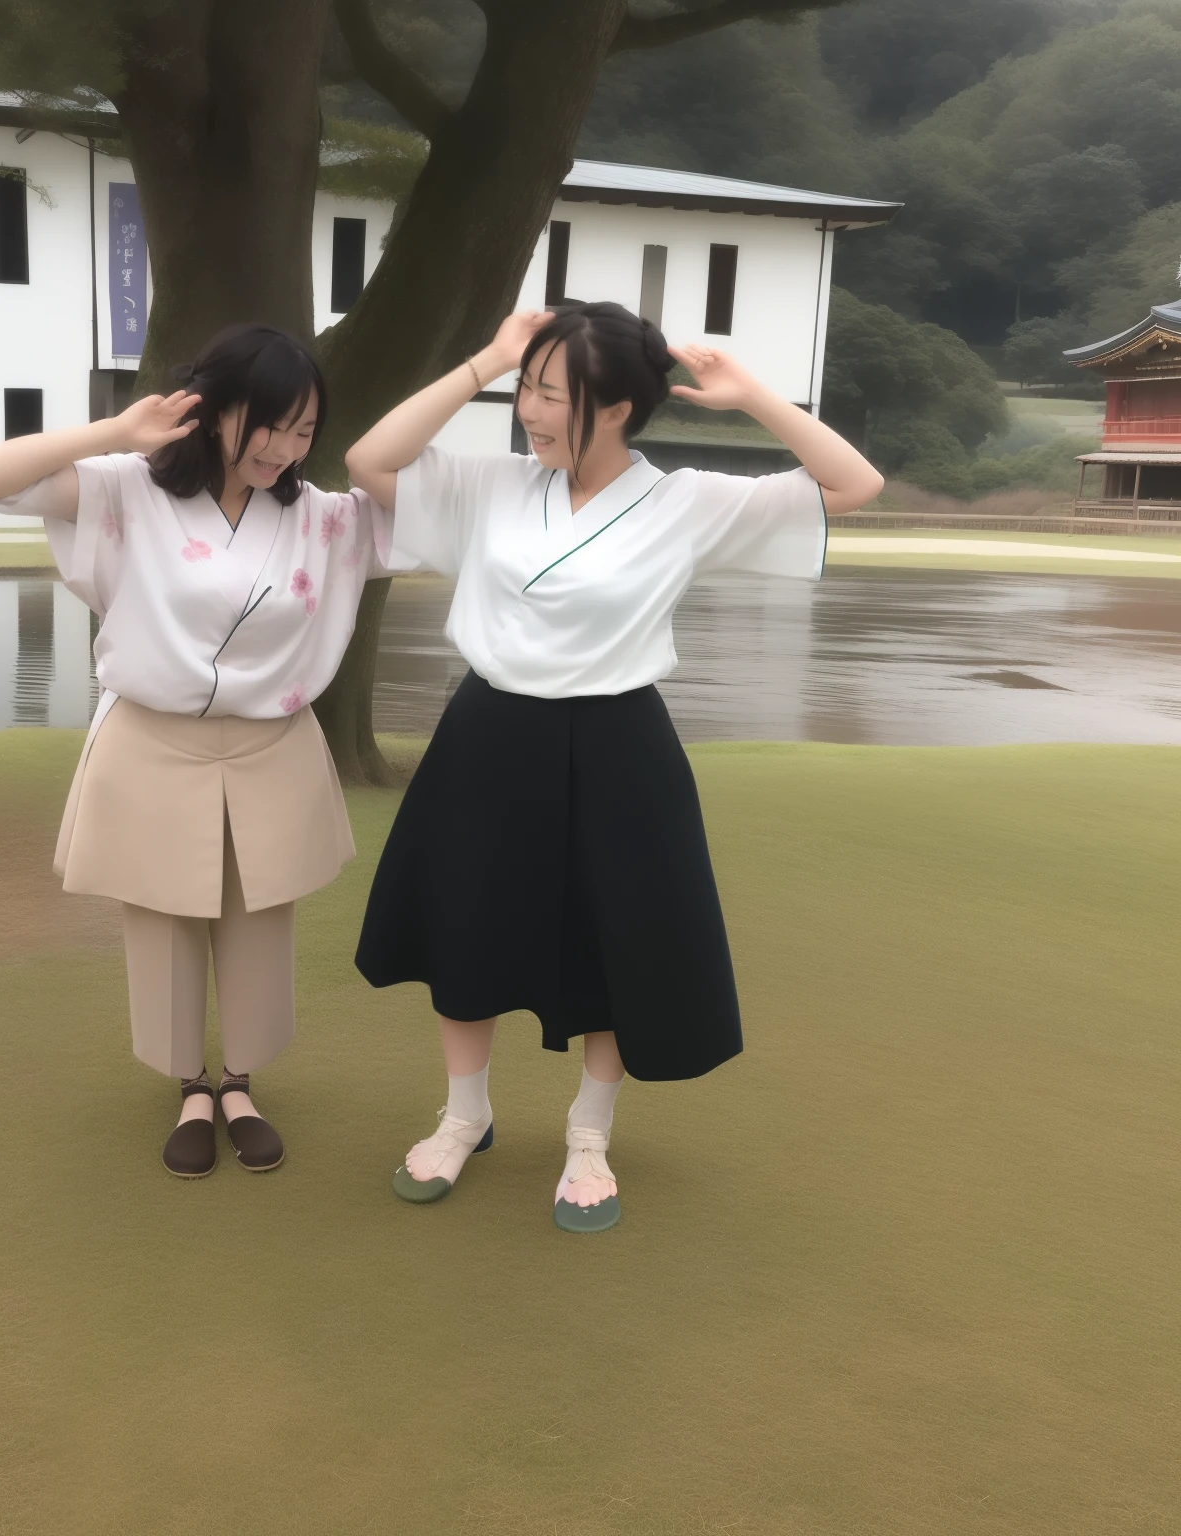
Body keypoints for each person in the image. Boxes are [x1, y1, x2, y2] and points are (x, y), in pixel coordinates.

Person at [346, 301, 883, 1233]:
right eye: (529, 390)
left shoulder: (687, 502)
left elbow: (854, 484)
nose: (531, 410)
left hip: (619, 745)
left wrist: (752, 395)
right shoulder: (495, 485)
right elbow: (370, 462)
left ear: (621, 408)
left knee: (615, 938)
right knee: (464, 929)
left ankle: (588, 1136)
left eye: (553, 394)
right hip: (487, 735)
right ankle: (463, 1116)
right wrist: (489, 359)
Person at [0, 324, 393, 1179]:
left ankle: (240, 1082)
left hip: (270, 743)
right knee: (161, 918)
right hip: (154, 736)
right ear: (216, 409)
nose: (287, 449)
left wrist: (487, 371)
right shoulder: (128, 489)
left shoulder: (323, 519)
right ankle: (190, 1084)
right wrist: (119, 431)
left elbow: (421, 509)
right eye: (272, 425)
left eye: (307, 432)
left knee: (259, 918)